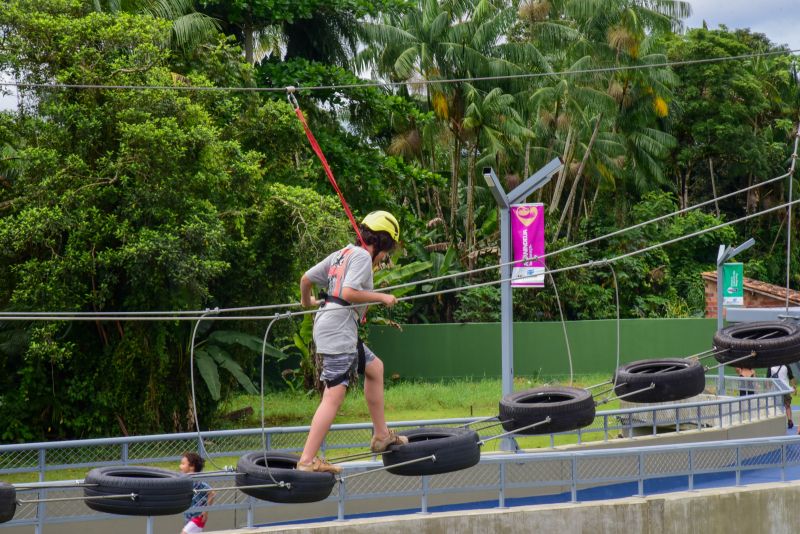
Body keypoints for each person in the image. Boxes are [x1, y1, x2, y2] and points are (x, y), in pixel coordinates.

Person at [297, 211, 408, 474]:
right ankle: (307, 460)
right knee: (334, 396)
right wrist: (383, 297)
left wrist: (307, 304)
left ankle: (381, 435)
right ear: (381, 243)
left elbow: (306, 279)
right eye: (386, 251)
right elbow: (348, 292)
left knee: (375, 367)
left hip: (332, 325)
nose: (383, 258)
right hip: (339, 331)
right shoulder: (360, 257)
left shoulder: (342, 254)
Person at [179, 452, 215, 533]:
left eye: (183, 464)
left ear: (192, 467)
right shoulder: (185, 480)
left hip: (198, 516)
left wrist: (205, 511)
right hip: (189, 516)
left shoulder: (196, 481)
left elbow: (211, 493)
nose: (180, 466)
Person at [767, 364, 796, 429]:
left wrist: (768, 389)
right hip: (785, 389)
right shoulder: (786, 365)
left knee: (777, 406)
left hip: (776, 390)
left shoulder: (771, 366)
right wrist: (794, 387)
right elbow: (791, 377)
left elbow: (768, 379)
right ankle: (789, 420)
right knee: (787, 406)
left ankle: (778, 422)